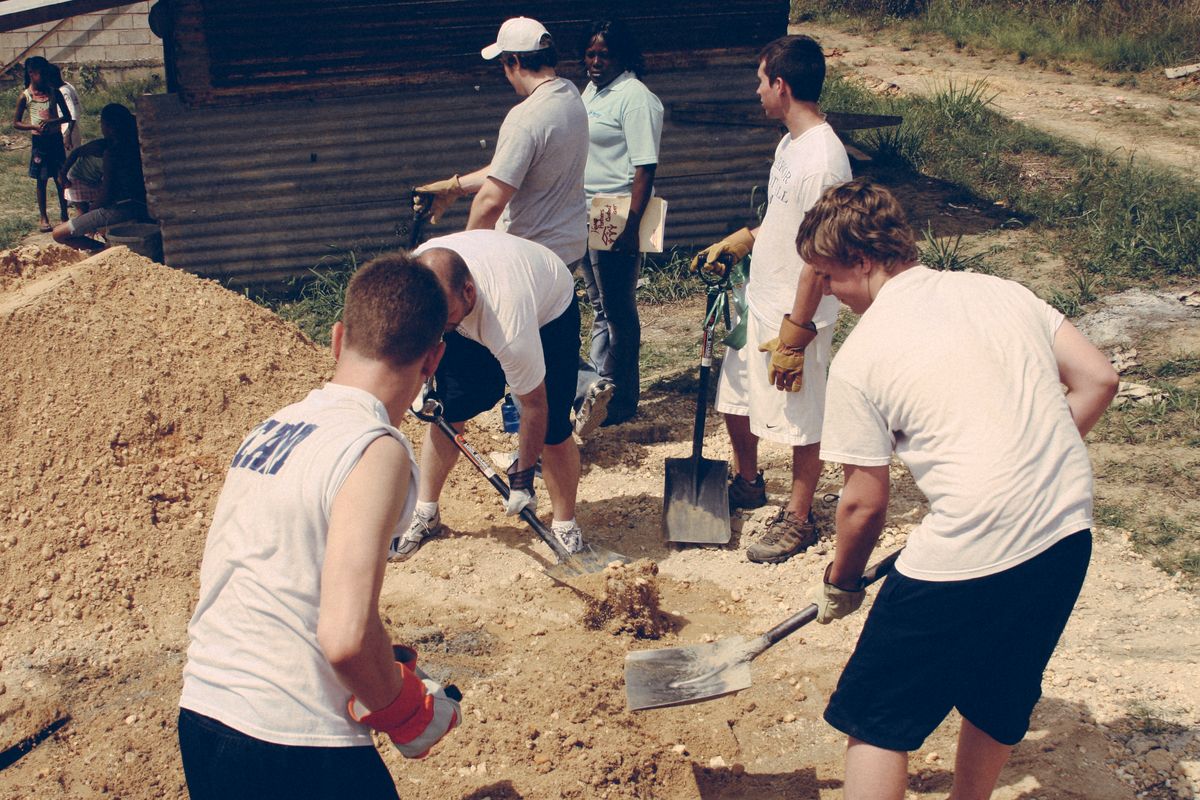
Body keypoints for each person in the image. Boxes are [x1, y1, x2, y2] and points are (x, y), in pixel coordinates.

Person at [798, 178, 1119, 800]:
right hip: (1065, 530)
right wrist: (1037, 455)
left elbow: (864, 504)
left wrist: (840, 581)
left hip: (970, 550)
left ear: (861, 261)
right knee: (999, 692)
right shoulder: (1000, 291)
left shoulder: (861, 358)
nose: (829, 293)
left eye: (829, 276)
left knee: (875, 720)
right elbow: (1098, 379)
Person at [178, 254, 461, 800]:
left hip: (206, 714)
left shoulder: (275, 426)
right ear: (433, 360)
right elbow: (344, 638)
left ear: (337, 339)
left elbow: (291, 585)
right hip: (291, 739)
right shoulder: (373, 447)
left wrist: (382, 662)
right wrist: (405, 709)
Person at [690, 35, 851, 563]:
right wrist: (744, 240)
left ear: (781, 85)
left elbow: (819, 257)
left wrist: (796, 333)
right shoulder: (790, 144)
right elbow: (786, 222)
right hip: (760, 298)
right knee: (734, 399)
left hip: (794, 311)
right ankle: (749, 482)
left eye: (761, 81)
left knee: (802, 420)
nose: (757, 91)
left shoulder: (824, 162)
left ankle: (800, 519)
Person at [412, 18, 613, 435]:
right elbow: (508, 168)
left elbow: (492, 198)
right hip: (564, 248)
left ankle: (552, 419)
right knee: (542, 343)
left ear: (514, 61)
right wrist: (453, 186)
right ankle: (578, 390)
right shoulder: (570, 97)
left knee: (514, 353)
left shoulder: (525, 117)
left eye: (503, 63)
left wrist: (465, 258)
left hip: (526, 255)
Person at [390, 229, 588, 562]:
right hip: (471, 315)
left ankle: (565, 525)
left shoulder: (508, 325)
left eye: (444, 316)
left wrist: (523, 479)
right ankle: (426, 513)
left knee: (553, 426)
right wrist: (418, 377)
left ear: (468, 292)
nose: (437, 325)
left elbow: (533, 405)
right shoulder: (419, 285)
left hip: (549, 312)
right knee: (450, 410)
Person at [575, 18, 663, 428]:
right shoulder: (594, 89)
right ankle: (599, 389)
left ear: (622, 56)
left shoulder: (635, 97)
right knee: (599, 306)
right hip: (586, 208)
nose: (594, 61)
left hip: (614, 210)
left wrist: (630, 224)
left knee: (617, 309)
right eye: (590, 54)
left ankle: (623, 397)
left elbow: (645, 167)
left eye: (603, 54)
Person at [52, 103, 148, 253]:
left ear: (108, 126)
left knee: (59, 234)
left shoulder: (112, 153)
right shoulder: (140, 145)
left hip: (125, 208)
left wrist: (91, 213)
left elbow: (107, 194)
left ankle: (106, 250)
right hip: (144, 205)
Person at [12, 56, 71, 232]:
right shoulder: (25, 96)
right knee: (41, 179)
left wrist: (54, 122)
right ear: (31, 74)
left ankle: (64, 214)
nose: (44, 77)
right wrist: (33, 126)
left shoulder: (55, 92)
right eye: (41, 74)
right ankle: (43, 217)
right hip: (40, 143)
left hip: (55, 140)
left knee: (60, 177)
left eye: (46, 73)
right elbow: (16, 122)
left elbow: (67, 116)